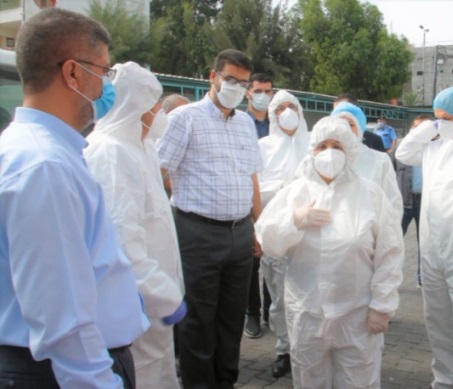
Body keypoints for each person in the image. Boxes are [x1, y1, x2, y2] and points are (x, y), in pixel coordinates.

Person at [0, 9, 149, 388]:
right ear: (72, 73)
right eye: (103, 71)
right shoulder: (45, 167)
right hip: (59, 373)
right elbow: (62, 322)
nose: (106, 86)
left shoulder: (46, 153)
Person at [255, 116, 404, 389]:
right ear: (311, 150)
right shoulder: (295, 192)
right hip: (307, 314)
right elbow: (268, 242)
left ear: (350, 150)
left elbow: (390, 253)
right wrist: (294, 221)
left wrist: (382, 306)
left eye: (337, 145)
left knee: (359, 381)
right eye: (322, 145)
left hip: (357, 314)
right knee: (310, 380)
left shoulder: (370, 195)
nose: (329, 152)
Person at [157, 49, 263, 388]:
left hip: (239, 233)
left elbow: (251, 178)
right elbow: (160, 171)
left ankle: (225, 381)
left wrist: (255, 227)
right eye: (230, 79)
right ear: (213, 77)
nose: (236, 87)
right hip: (197, 233)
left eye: (243, 83)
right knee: (198, 322)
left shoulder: (246, 123)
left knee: (230, 321)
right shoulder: (184, 118)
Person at [84, 62, 186, 389]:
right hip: (136, 310)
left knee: (160, 372)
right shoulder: (110, 152)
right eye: (156, 105)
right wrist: (164, 295)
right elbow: (122, 244)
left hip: (154, 310)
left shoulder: (142, 147)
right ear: (137, 108)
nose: (161, 113)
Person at [396, 87, 453, 389]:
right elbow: (403, 153)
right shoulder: (437, 146)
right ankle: (445, 380)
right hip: (432, 250)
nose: (441, 124)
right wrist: (427, 129)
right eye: (437, 119)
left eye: (446, 118)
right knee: (437, 322)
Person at [257, 90, 310, 378]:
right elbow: (255, 189)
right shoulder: (263, 146)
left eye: (292, 106)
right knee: (278, 295)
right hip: (276, 234)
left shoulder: (313, 143)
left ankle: (307, 347)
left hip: (309, 235)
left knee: (308, 292)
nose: (287, 112)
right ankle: (283, 349)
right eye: (281, 108)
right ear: (273, 114)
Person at [331, 102, 402, 215]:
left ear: (360, 128)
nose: (344, 128)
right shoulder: (326, 159)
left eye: (350, 124)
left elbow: (392, 203)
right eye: (340, 123)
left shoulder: (380, 160)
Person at [245, 72, 275, 339]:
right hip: (246, 201)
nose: (263, 96)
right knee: (250, 262)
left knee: (273, 257)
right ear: (248, 93)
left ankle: (270, 311)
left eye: (268, 91)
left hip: (274, 204)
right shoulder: (239, 122)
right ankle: (252, 312)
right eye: (258, 91)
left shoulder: (278, 122)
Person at [391, 113, 428, 288]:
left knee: (425, 244)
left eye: (424, 128)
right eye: (416, 127)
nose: (420, 132)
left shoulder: (436, 148)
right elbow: (389, 172)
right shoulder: (401, 149)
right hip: (403, 203)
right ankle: (389, 278)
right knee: (393, 242)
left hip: (426, 205)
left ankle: (422, 279)